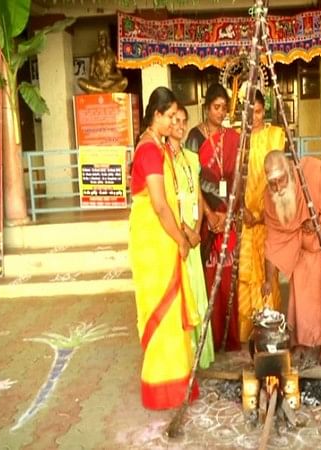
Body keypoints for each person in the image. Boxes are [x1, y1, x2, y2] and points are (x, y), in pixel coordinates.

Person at [128, 87, 200, 409]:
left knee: (172, 316)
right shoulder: (150, 151)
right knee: (164, 313)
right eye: (170, 116)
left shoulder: (159, 147)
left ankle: (179, 383)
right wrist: (182, 240)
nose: (175, 121)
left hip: (164, 236)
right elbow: (159, 205)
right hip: (154, 242)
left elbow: (172, 200)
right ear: (156, 115)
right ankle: (162, 389)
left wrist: (184, 231)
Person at [262, 151, 321, 365]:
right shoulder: (270, 196)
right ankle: (300, 340)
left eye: (281, 180)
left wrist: (319, 222)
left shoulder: (312, 173)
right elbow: (274, 238)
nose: (278, 188)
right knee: (299, 290)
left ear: (290, 171)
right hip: (299, 242)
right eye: (272, 183)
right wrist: (267, 279)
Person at [185, 83, 241, 351]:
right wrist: (208, 215)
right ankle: (212, 337)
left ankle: (229, 337)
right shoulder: (195, 137)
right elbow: (192, 181)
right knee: (209, 278)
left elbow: (237, 177)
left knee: (228, 274)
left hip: (227, 212)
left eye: (223, 108)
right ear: (206, 108)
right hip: (206, 217)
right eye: (216, 108)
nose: (220, 113)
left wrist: (228, 211)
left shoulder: (232, 137)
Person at [168, 103, 215, 368]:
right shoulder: (164, 159)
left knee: (197, 292)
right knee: (181, 295)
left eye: (184, 120)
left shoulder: (190, 157)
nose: (180, 125)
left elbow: (196, 193)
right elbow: (166, 200)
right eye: (174, 119)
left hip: (193, 233)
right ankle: (183, 357)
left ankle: (200, 355)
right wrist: (185, 232)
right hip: (176, 234)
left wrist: (197, 229)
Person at [238, 90, 285, 342]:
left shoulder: (273, 136)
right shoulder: (238, 140)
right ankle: (247, 334)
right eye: (248, 112)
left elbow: (276, 174)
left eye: (257, 112)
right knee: (246, 276)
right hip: (245, 221)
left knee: (268, 275)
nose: (253, 117)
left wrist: (260, 213)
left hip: (267, 217)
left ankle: (270, 329)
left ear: (263, 111)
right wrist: (243, 211)